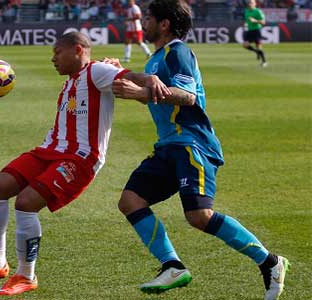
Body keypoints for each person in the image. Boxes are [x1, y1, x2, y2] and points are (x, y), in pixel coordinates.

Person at [0, 31, 170, 297]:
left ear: (79, 50)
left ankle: (26, 275)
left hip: (79, 158)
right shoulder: (73, 80)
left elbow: (132, 79)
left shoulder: (97, 71)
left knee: (26, 203)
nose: (53, 58)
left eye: (58, 52)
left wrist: (149, 78)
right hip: (49, 150)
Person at [110, 0, 289, 299]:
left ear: (164, 23)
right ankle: (172, 266)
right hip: (168, 146)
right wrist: (124, 73)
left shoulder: (177, 51)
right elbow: (157, 92)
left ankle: (270, 262)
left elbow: (188, 96)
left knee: (199, 216)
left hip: (192, 143)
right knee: (130, 201)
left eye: (150, 17)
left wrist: (140, 92)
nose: (145, 22)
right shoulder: (157, 57)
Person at [242, 0, 268, 67]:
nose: (249, 4)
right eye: (249, 2)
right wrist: (245, 24)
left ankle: (264, 62)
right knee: (245, 45)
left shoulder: (258, 11)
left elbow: (263, 22)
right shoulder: (246, 11)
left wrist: (255, 20)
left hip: (256, 30)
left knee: (259, 47)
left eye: (251, 2)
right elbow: (246, 20)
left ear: (255, 4)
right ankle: (256, 52)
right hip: (250, 31)